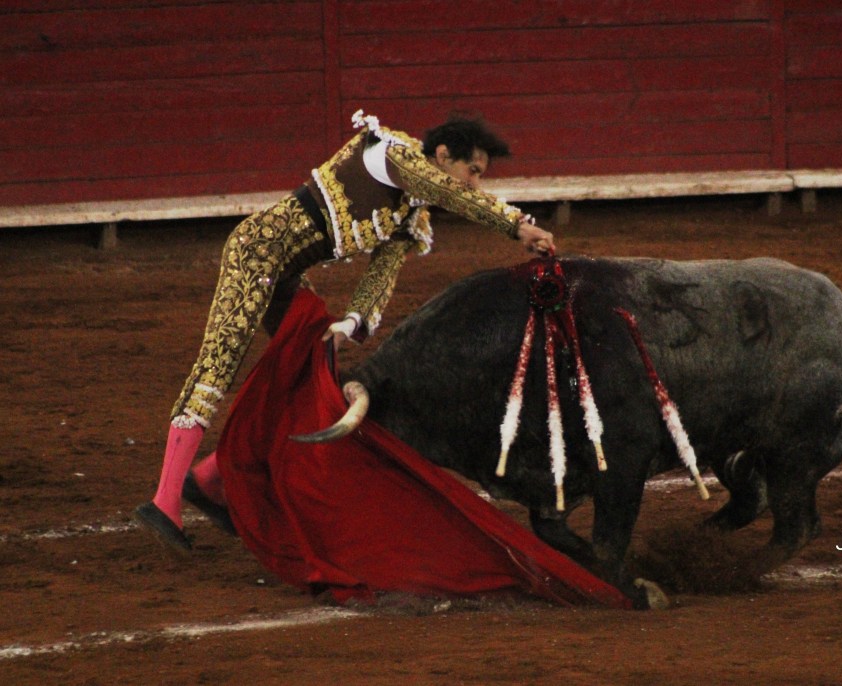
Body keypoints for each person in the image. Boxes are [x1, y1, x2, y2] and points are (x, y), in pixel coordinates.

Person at [134, 110, 555, 553]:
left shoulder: (411, 214)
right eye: (473, 171)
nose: (474, 183)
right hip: (255, 252)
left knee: (313, 375)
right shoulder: (394, 155)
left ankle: (209, 479)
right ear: (444, 155)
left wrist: (350, 323)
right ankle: (164, 501)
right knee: (217, 367)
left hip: (286, 275)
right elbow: (448, 191)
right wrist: (517, 225)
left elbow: (381, 275)